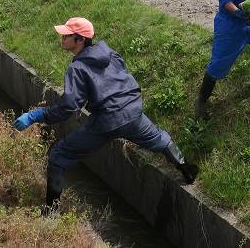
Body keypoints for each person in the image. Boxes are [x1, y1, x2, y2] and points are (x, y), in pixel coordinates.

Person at [13, 17, 198, 212]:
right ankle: (186, 168)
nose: (62, 38)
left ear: (80, 39)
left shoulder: (77, 68)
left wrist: (36, 116)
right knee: (160, 138)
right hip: (133, 113)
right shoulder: (111, 54)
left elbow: (68, 107)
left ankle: (51, 212)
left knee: (58, 155)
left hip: (106, 122)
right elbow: (121, 78)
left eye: (66, 35)